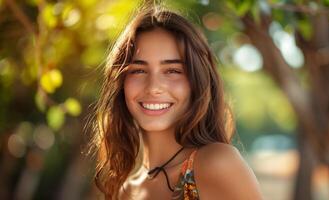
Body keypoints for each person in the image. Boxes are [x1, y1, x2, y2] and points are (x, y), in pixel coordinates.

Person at [88, 6, 263, 200]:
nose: (154, 87)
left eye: (172, 71)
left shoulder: (215, 163)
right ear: (121, 82)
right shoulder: (125, 191)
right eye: (138, 70)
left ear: (197, 81)